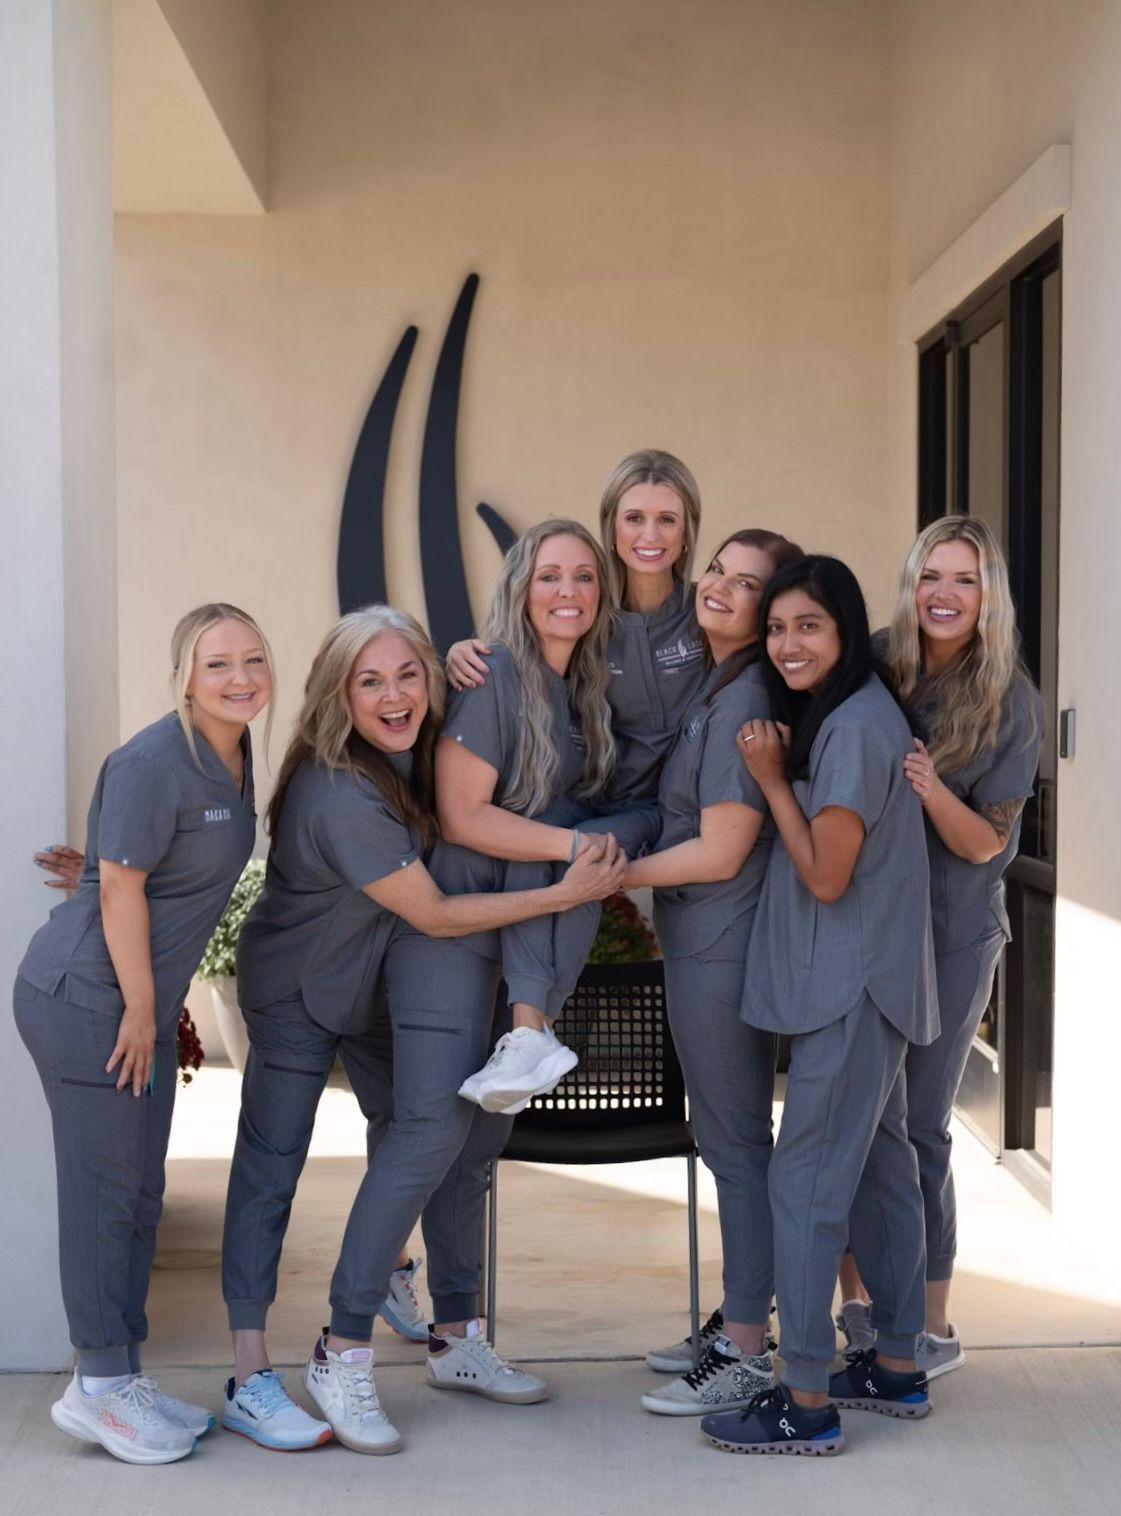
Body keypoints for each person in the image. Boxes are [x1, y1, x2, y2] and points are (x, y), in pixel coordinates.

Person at [220, 605, 624, 1454]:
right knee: (273, 1167)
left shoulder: (420, 749)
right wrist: (561, 894)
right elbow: (436, 912)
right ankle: (256, 1369)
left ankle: (453, 1334)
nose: (394, 694)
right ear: (339, 694)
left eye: (408, 674)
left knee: (440, 1138)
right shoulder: (337, 790)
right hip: (296, 994)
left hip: (373, 985)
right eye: (370, 680)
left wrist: (472, 655)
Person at [14, 604, 273, 1464]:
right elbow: (120, 894)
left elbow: (136, 869)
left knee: (137, 1196)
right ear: (184, 679)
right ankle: (95, 1387)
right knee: (102, 1193)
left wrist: (150, 1009)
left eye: (253, 660)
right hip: (89, 1000)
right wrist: (138, 1010)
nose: (240, 678)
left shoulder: (235, 757)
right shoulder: (150, 759)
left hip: (138, 1006)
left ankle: (119, 1372)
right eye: (218, 665)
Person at [701, 556, 938, 1457]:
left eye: (809, 627)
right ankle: (896, 1367)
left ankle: (803, 1397)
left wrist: (765, 778)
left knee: (801, 1187)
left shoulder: (850, 729)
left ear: (842, 632)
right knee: (881, 1178)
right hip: (866, 984)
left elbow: (827, 874)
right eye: (777, 629)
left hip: (849, 988)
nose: (788, 645)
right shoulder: (859, 715)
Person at [835, 516, 1043, 1379]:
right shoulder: (878, 662)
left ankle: (928, 1325)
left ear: (987, 595)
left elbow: (984, 846)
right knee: (853, 1122)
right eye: (931, 576)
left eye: (963, 580)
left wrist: (923, 787)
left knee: (918, 1129)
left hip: (952, 935)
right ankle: (854, 1310)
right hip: (866, 926)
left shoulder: (1011, 700)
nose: (943, 595)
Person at [446, 453, 709, 1115]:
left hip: (656, 815)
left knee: (572, 842)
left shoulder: (706, 613)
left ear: (687, 530)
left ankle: (530, 1028)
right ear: (611, 526)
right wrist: (452, 653)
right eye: (633, 517)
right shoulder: (591, 616)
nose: (649, 533)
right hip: (590, 805)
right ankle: (531, 1035)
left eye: (666, 518)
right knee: (552, 831)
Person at [624, 529, 802, 1418]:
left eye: (746, 584)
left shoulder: (748, 699)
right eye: (717, 572)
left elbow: (724, 847)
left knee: (734, 1144)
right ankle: (737, 1316)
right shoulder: (714, 680)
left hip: (723, 949)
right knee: (725, 1136)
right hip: (697, 944)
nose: (720, 589)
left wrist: (613, 874)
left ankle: (743, 1348)